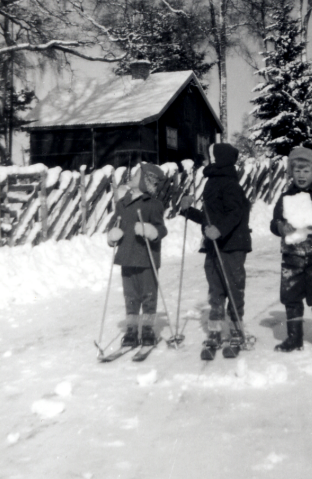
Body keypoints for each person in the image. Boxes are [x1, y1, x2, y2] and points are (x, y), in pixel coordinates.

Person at [180, 142, 252, 357]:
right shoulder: (213, 182)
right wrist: (187, 211)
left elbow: (236, 212)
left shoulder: (229, 184)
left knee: (233, 287)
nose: (205, 160)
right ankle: (215, 331)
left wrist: (220, 230)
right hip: (214, 245)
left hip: (232, 245)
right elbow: (209, 218)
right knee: (216, 290)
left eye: (209, 156)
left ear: (219, 160)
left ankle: (236, 330)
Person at [269, 146, 312, 354]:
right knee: (291, 298)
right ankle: (294, 339)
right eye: (297, 170)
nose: (301, 175)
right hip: (292, 255)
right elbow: (274, 222)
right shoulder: (285, 197)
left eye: (306, 171)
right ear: (291, 172)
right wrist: (281, 227)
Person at [107, 162, 167, 348]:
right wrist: (112, 235)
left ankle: (148, 329)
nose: (131, 177)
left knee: (148, 295)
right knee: (130, 296)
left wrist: (152, 231)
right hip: (127, 257)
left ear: (146, 182)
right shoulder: (122, 204)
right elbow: (114, 224)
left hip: (147, 258)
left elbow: (161, 228)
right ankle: (131, 330)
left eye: (136, 175)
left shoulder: (153, 205)